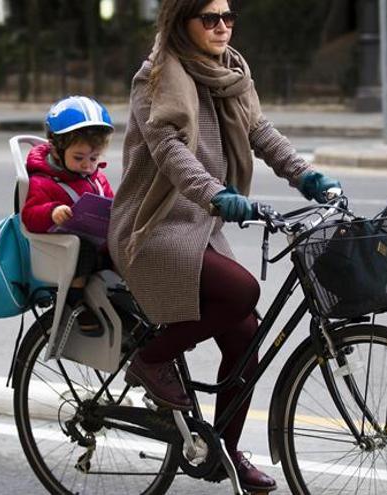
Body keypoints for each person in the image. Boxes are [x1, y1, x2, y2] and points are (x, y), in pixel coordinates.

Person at [106, 0, 341, 492]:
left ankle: (224, 454)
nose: (222, 26)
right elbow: (170, 150)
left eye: (228, 17)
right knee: (242, 291)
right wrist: (217, 194)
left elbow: (259, 131)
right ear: (181, 22)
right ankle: (151, 359)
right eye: (209, 18)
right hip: (153, 226)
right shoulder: (155, 78)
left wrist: (306, 176)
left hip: (200, 223)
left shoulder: (230, 71)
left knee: (245, 337)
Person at [22, 95, 115, 336]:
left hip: (98, 242)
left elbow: (111, 201)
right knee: (83, 247)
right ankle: (75, 300)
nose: (87, 165)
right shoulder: (43, 181)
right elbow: (30, 215)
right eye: (79, 158)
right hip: (66, 251)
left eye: (94, 159)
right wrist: (52, 212)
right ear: (56, 149)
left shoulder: (95, 176)